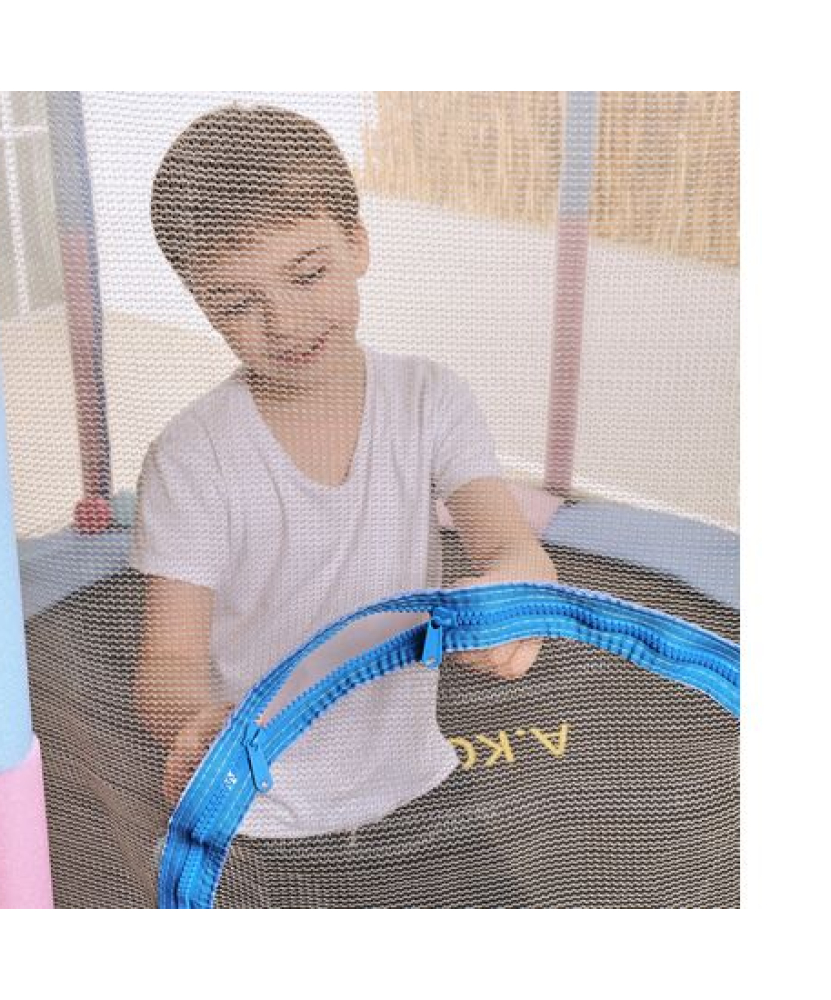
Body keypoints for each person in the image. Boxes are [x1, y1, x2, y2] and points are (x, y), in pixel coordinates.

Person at [130, 102, 557, 906]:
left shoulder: (429, 399)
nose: (285, 322)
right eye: (237, 303)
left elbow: (511, 547)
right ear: (199, 304)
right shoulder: (191, 457)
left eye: (307, 275)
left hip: (419, 785)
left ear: (357, 244)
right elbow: (168, 662)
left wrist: (516, 595)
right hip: (257, 813)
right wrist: (193, 725)